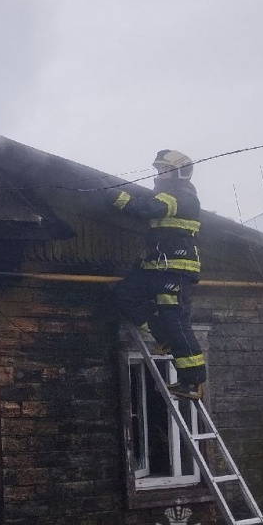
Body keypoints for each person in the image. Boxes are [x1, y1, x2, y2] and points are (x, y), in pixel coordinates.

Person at [110, 149, 206, 400]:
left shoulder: (183, 196)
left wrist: (118, 197)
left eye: (165, 170)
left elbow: (150, 208)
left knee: (176, 321)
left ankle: (193, 382)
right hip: (154, 267)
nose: (160, 174)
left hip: (176, 270)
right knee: (124, 295)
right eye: (159, 169)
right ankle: (163, 338)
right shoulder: (165, 194)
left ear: (179, 173)